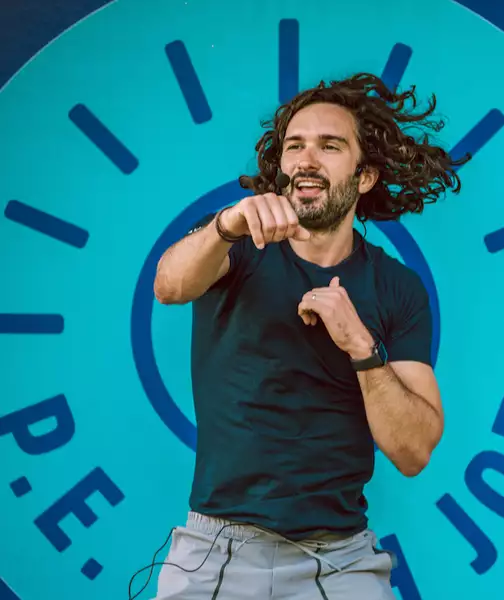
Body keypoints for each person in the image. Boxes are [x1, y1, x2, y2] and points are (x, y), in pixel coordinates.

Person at [146, 72, 468, 599]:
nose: (306, 159)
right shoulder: (234, 244)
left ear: (364, 176)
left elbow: (413, 451)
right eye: (295, 146)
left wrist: (362, 348)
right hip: (214, 552)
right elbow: (169, 285)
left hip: (340, 563)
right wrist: (226, 225)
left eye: (329, 146)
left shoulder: (397, 288)